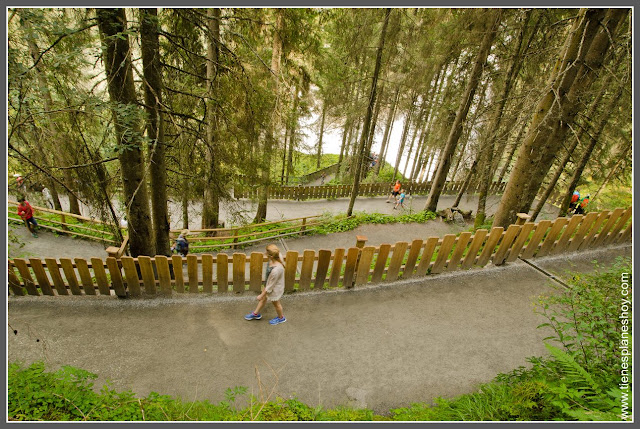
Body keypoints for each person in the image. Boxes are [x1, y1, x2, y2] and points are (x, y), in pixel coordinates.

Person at [245, 243, 287, 325]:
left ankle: (281, 318)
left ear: (271, 256)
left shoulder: (276, 270)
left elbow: (271, 285)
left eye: (267, 252)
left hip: (274, 289)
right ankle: (256, 314)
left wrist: (261, 294)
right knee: (264, 299)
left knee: (276, 304)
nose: (265, 253)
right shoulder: (275, 256)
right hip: (269, 284)